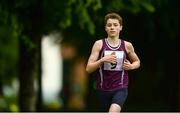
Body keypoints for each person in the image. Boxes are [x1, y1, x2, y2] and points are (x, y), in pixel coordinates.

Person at [86, 12, 140, 113]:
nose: (112, 27)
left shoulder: (127, 45)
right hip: (102, 89)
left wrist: (131, 66)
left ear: (120, 27)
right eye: (109, 25)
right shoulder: (99, 44)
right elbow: (88, 68)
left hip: (120, 87)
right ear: (105, 28)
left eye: (115, 25)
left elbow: (137, 61)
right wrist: (102, 60)